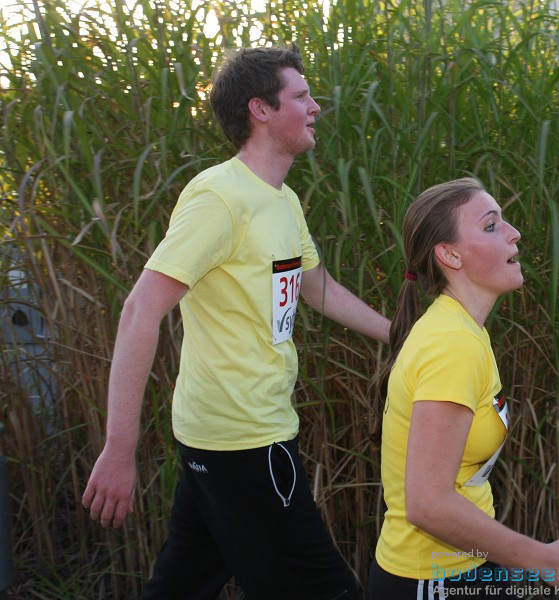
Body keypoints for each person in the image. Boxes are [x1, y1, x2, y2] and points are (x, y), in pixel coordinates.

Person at [81, 45, 389, 600]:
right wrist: (118, 448)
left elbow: (316, 287)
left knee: (181, 585)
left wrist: (398, 334)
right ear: (260, 109)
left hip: (231, 437)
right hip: (244, 442)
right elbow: (140, 309)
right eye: (301, 95)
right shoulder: (221, 197)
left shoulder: (282, 200)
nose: (315, 106)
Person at [368, 178, 559, 599]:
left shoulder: (457, 329)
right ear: (450, 254)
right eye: (491, 226)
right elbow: (428, 505)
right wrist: (542, 559)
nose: (515, 233)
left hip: (463, 567)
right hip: (430, 578)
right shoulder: (452, 344)